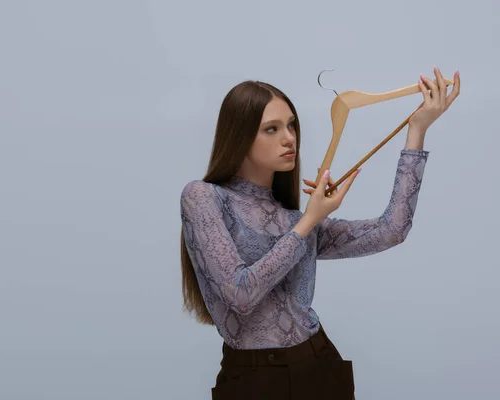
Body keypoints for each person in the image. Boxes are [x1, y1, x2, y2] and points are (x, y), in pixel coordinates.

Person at [179, 67, 460, 399]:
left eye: (291, 125)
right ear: (239, 136)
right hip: (253, 378)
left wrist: (417, 130)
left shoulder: (294, 217)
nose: (289, 138)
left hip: (320, 361)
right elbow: (240, 296)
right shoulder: (204, 197)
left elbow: (391, 230)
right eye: (272, 128)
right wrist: (309, 222)